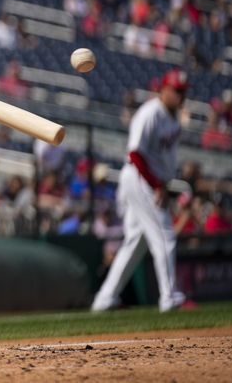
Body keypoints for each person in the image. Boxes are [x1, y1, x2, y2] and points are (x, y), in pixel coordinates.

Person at [91, 69, 189, 313]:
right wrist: (157, 186)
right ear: (162, 90)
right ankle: (169, 297)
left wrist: (162, 184)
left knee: (136, 241)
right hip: (139, 177)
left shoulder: (174, 117)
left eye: (182, 92)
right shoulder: (149, 114)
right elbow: (135, 154)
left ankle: (105, 298)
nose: (179, 96)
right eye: (175, 91)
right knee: (164, 236)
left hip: (152, 180)